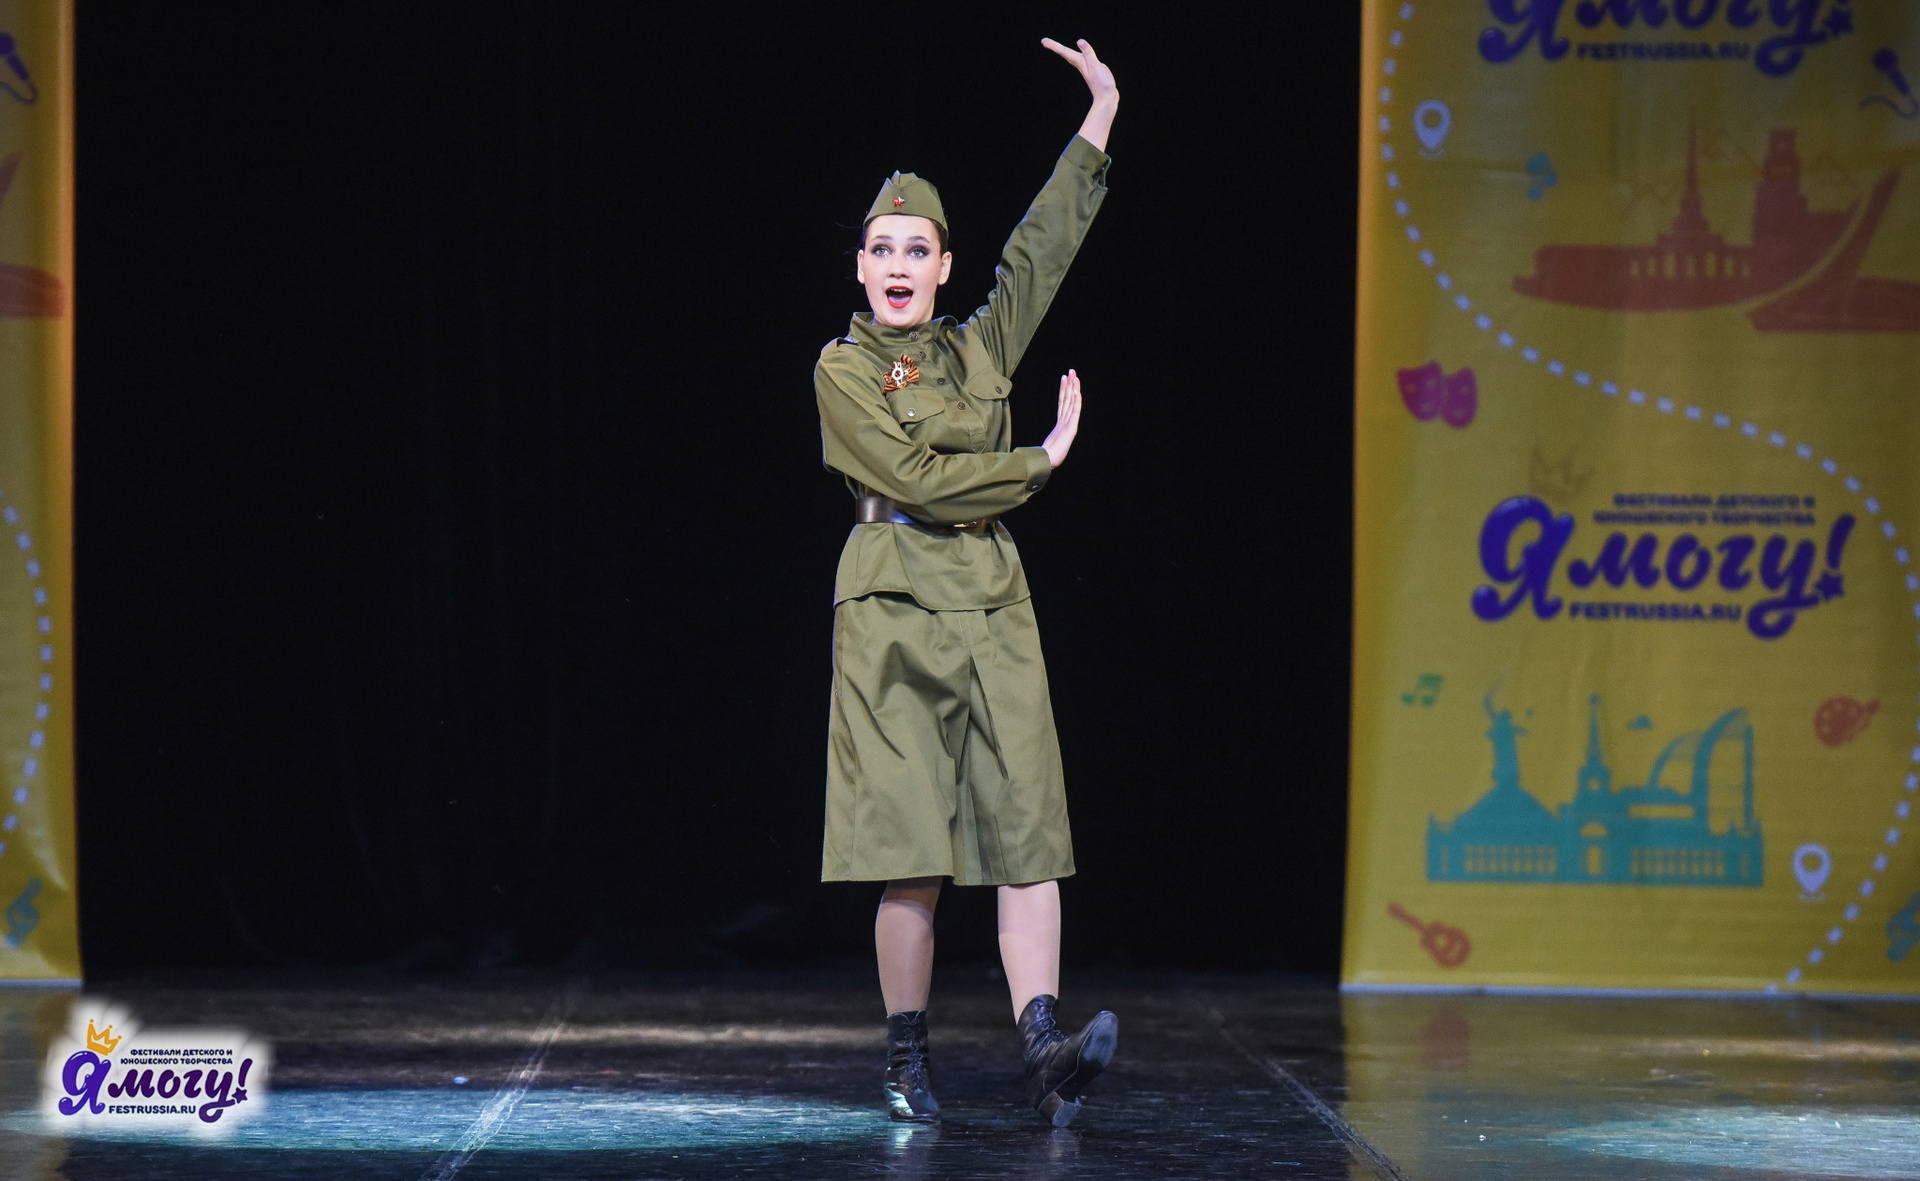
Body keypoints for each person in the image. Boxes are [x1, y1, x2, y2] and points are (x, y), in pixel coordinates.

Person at [814, 37, 1119, 1128]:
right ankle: (907, 1054)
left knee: (1028, 830)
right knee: (914, 855)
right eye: (881, 248)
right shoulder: (842, 368)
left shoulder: (979, 350)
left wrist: (1100, 115)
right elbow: (912, 478)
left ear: (944, 266)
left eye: (918, 249)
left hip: (991, 592)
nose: (898, 264)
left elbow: (1045, 246)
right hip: (894, 602)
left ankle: (1045, 1045)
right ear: (861, 267)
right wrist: (1037, 461)